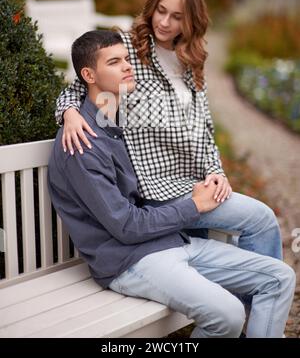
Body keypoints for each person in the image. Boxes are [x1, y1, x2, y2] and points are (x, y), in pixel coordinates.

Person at [48, 30, 295, 338]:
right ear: (89, 74)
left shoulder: (115, 113)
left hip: (168, 241)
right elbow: (125, 226)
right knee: (229, 315)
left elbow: (201, 133)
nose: (128, 66)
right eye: (115, 62)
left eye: (127, 59)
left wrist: (209, 175)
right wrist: (193, 206)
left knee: (280, 277)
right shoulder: (82, 145)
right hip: (128, 260)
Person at [55, 0, 282, 263]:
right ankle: (263, 296)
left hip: (196, 184)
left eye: (176, 16)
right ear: (152, 8)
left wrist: (217, 173)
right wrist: (69, 114)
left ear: (191, 20)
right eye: (161, 11)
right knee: (261, 220)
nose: (164, 22)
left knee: (229, 253)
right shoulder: (128, 50)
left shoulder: (192, 60)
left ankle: (254, 299)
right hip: (158, 192)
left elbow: (205, 129)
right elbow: (75, 89)